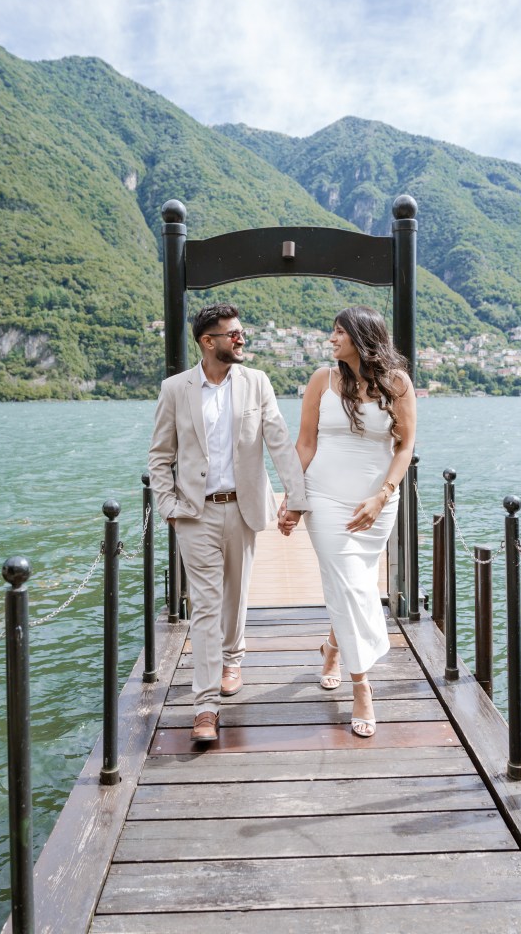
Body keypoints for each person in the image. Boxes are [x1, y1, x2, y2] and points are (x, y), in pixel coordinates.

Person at [148, 303, 307, 742]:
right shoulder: (176, 389)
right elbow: (160, 455)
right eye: (232, 334)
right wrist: (168, 506)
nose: (241, 339)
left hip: (243, 508)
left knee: (235, 595)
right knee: (204, 606)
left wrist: (297, 498)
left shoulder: (257, 383)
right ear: (207, 341)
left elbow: (278, 442)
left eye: (241, 332)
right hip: (194, 514)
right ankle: (205, 706)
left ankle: (233, 658)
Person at [280, 306, 416, 737]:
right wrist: (293, 499)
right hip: (324, 497)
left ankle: (334, 647)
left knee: (350, 584)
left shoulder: (397, 383)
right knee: (352, 584)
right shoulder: (323, 379)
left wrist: (382, 496)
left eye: (339, 331)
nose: (331, 338)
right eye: (332, 331)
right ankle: (362, 687)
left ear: (362, 336)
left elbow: (405, 448)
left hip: (375, 503)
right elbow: (304, 443)